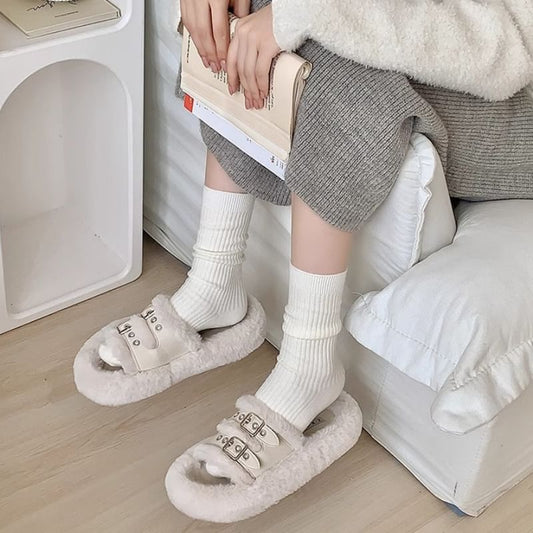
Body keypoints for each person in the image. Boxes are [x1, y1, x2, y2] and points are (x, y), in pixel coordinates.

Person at [91, 0, 533, 520]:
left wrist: (306, 12)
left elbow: (503, 51)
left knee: (340, 66)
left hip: (508, 83)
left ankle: (309, 365)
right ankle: (213, 283)